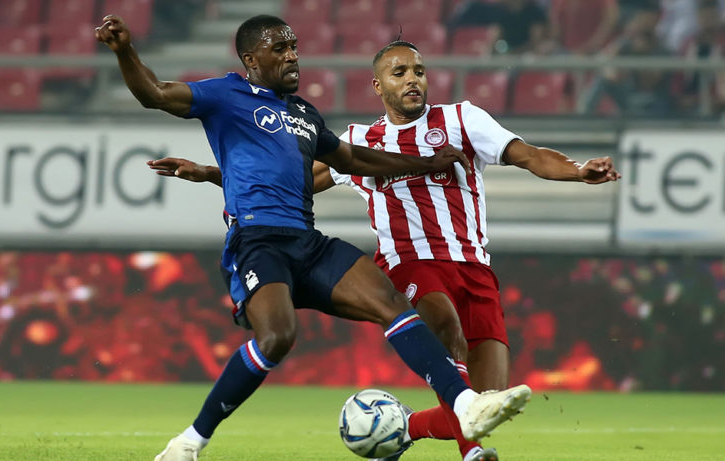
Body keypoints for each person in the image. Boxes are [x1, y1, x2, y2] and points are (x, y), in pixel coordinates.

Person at [148, 39, 621, 461]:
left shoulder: (463, 119)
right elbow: (292, 178)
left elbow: (530, 155)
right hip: (409, 262)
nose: (413, 80)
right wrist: (212, 174)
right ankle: (473, 453)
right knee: (446, 328)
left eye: (419, 71)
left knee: (489, 399)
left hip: (475, 268)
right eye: (400, 73)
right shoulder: (359, 141)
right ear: (378, 86)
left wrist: (578, 169)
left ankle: (401, 430)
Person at [96, 14, 533, 461]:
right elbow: (154, 93)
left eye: (293, 47)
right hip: (258, 241)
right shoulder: (225, 94)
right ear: (251, 59)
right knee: (277, 338)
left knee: (392, 302)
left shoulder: (304, 114)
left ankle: (465, 404)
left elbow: (352, 159)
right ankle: (190, 442)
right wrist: (125, 51)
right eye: (279, 49)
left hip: (306, 242)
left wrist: (423, 164)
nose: (292, 56)